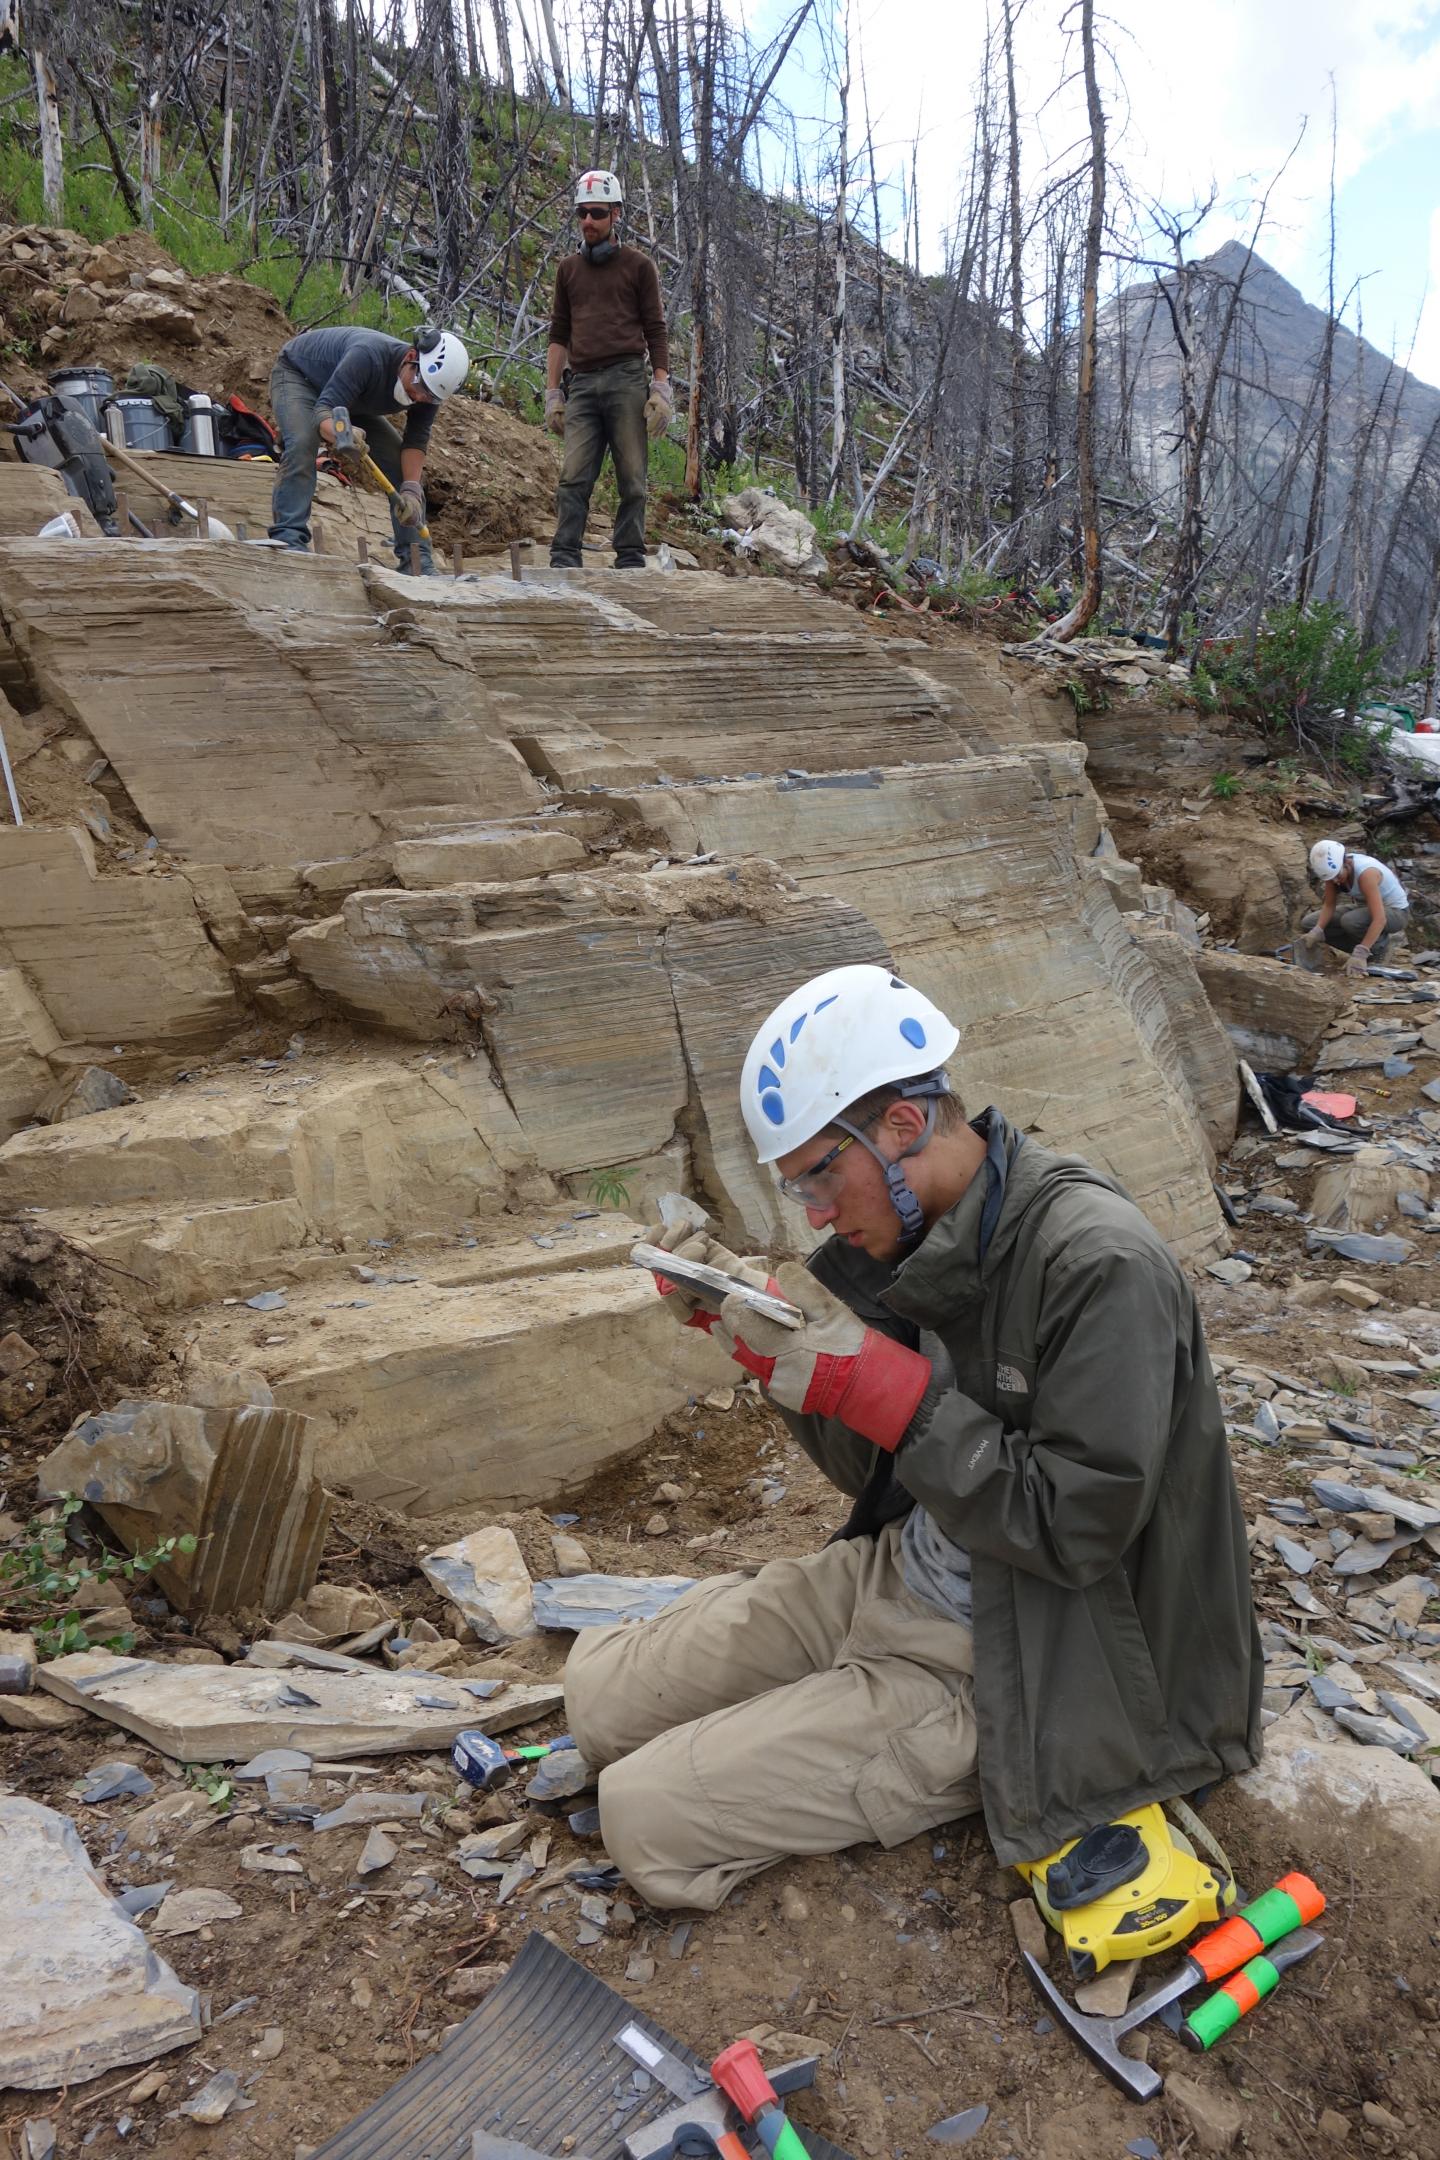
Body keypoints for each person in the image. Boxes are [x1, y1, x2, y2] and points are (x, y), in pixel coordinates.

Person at [564, 964, 1262, 1912]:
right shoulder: (900, 1236)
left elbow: (1078, 1529)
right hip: (909, 1568)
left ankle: (955, 1761)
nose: (813, 1210)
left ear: (902, 1125)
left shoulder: (1099, 1262)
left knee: (641, 1813)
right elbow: (880, 1466)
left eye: (821, 1173)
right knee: (596, 1697)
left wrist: (897, 1398)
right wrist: (773, 1357)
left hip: (1039, 1656)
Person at [546, 169, 672, 570]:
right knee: (573, 475)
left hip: (626, 378)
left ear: (615, 214)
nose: (588, 222)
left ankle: (631, 558)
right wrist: (553, 393)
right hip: (581, 384)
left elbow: (655, 328)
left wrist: (660, 388)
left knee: (632, 476)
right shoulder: (568, 270)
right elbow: (559, 333)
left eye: (597, 213)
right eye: (581, 213)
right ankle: (565, 557)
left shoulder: (638, 267)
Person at [268, 324, 469, 572]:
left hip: (352, 400)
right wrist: (343, 433)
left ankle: (417, 562)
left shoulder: (430, 388)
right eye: (420, 387)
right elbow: (323, 414)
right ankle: (289, 538)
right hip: (301, 378)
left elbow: (416, 441)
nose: (419, 398)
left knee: (401, 469)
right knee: (302, 443)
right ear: (410, 358)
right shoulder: (367, 355)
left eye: (428, 396)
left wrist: (412, 491)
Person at [1301, 838, 1410, 978]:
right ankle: (1360, 950)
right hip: (1366, 909)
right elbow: (1329, 905)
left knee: (1351, 921)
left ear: (1346, 862)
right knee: (1309, 923)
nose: (1335, 881)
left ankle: (1378, 951)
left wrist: (1361, 952)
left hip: (1396, 912)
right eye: (1331, 878)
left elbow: (1379, 919)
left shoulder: (1367, 874)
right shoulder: (1333, 873)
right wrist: (1317, 930)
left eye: (1337, 876)